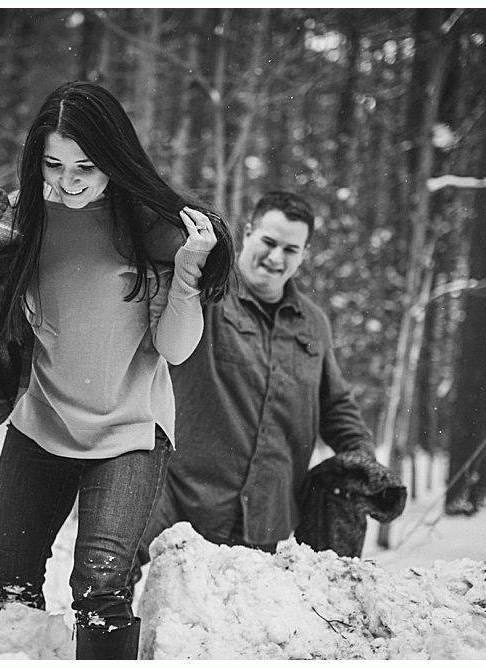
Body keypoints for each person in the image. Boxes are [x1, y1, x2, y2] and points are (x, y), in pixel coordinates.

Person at [0, 81, 234, 660]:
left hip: (128, 431)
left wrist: (189, 273)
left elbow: (175, 349)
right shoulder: (22, 222)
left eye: (86, 167)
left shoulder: (149, 227)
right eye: (53, 164)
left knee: (100, 589)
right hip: (40, 422)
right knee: (11, 583)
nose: (68, 182)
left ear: (113, 161)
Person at [136, 190, 393, 566]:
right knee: (113, 581)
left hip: (261, 520)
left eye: (290, 249)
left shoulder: (314, 323)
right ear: (248, 232)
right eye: (269, 242)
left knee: (238, 606)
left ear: (304, 254)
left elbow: (336, 406)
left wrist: (362, 461)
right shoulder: (207, 293)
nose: (275, 258)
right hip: (176, 495)